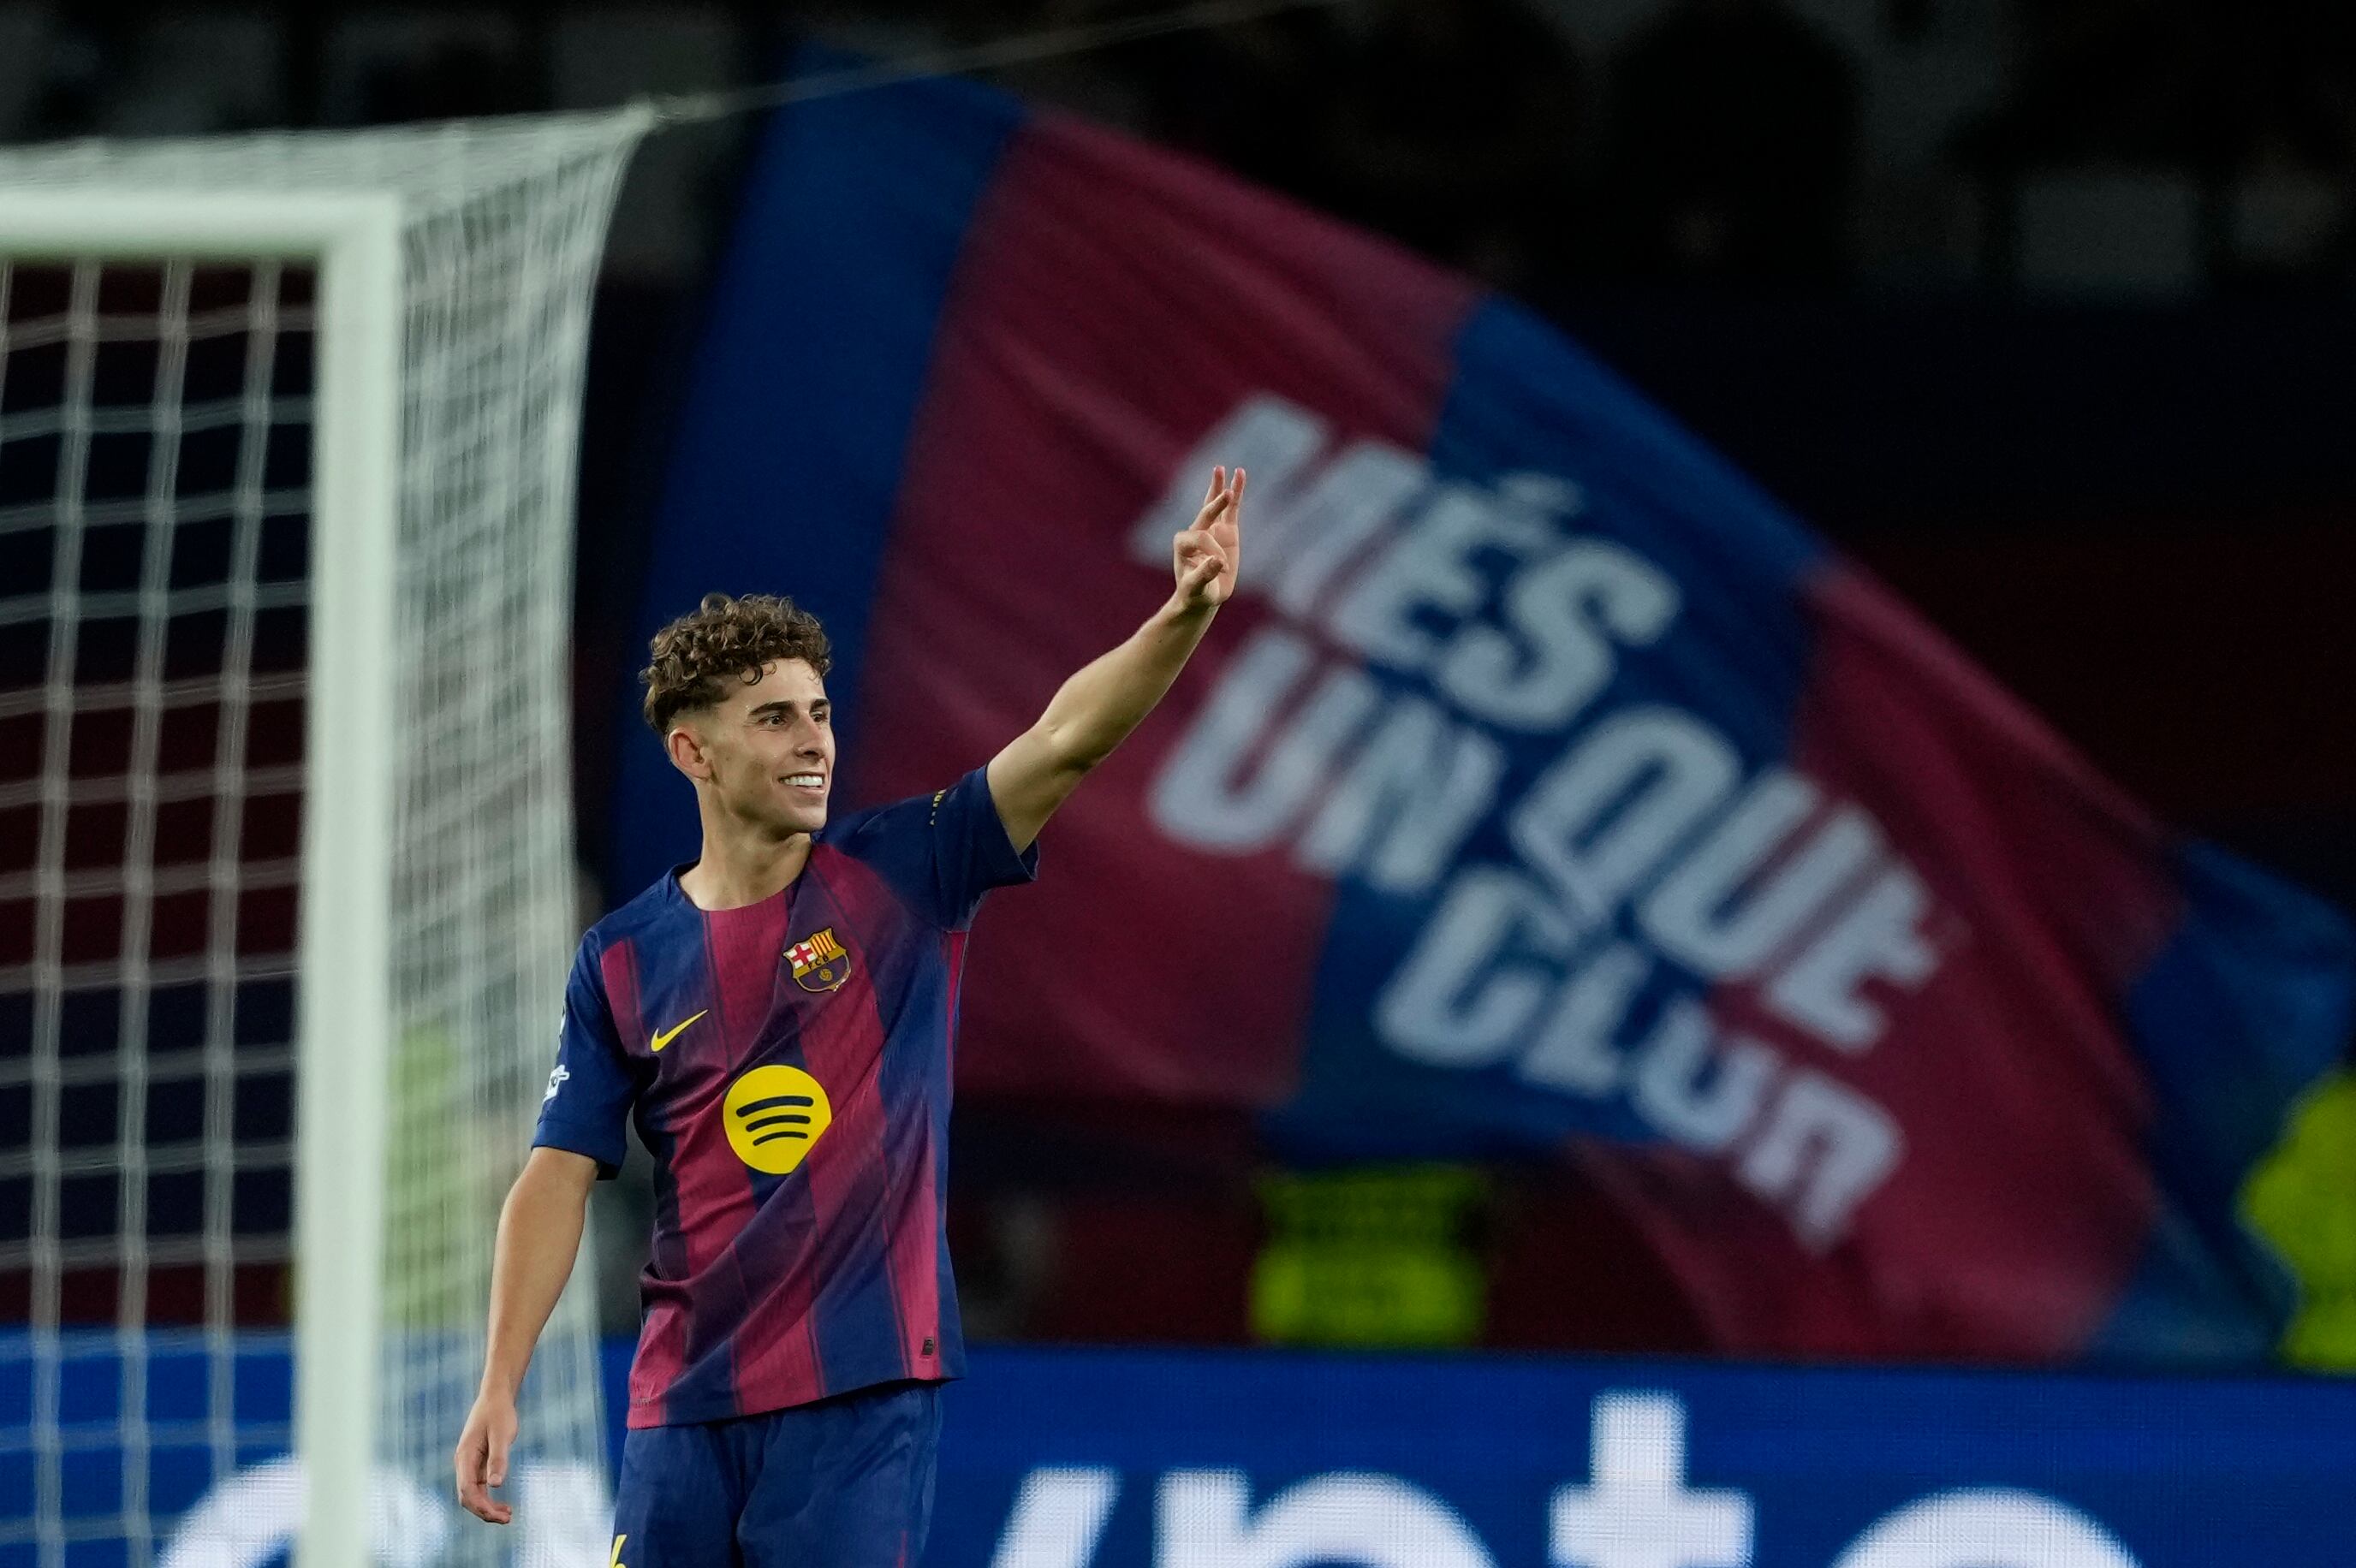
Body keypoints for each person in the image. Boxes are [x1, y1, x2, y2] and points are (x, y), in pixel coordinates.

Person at [452, 466, 1246, 1565]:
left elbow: (1066, 738)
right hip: (678, 1404)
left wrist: (1182, 614)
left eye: (819, 713)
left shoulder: (908, 868)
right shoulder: (624, 954)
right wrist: (502, 1374)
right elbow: (556, 1170)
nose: (812, 740)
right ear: (695, 751)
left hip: (859, 1390)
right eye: (774, 719)